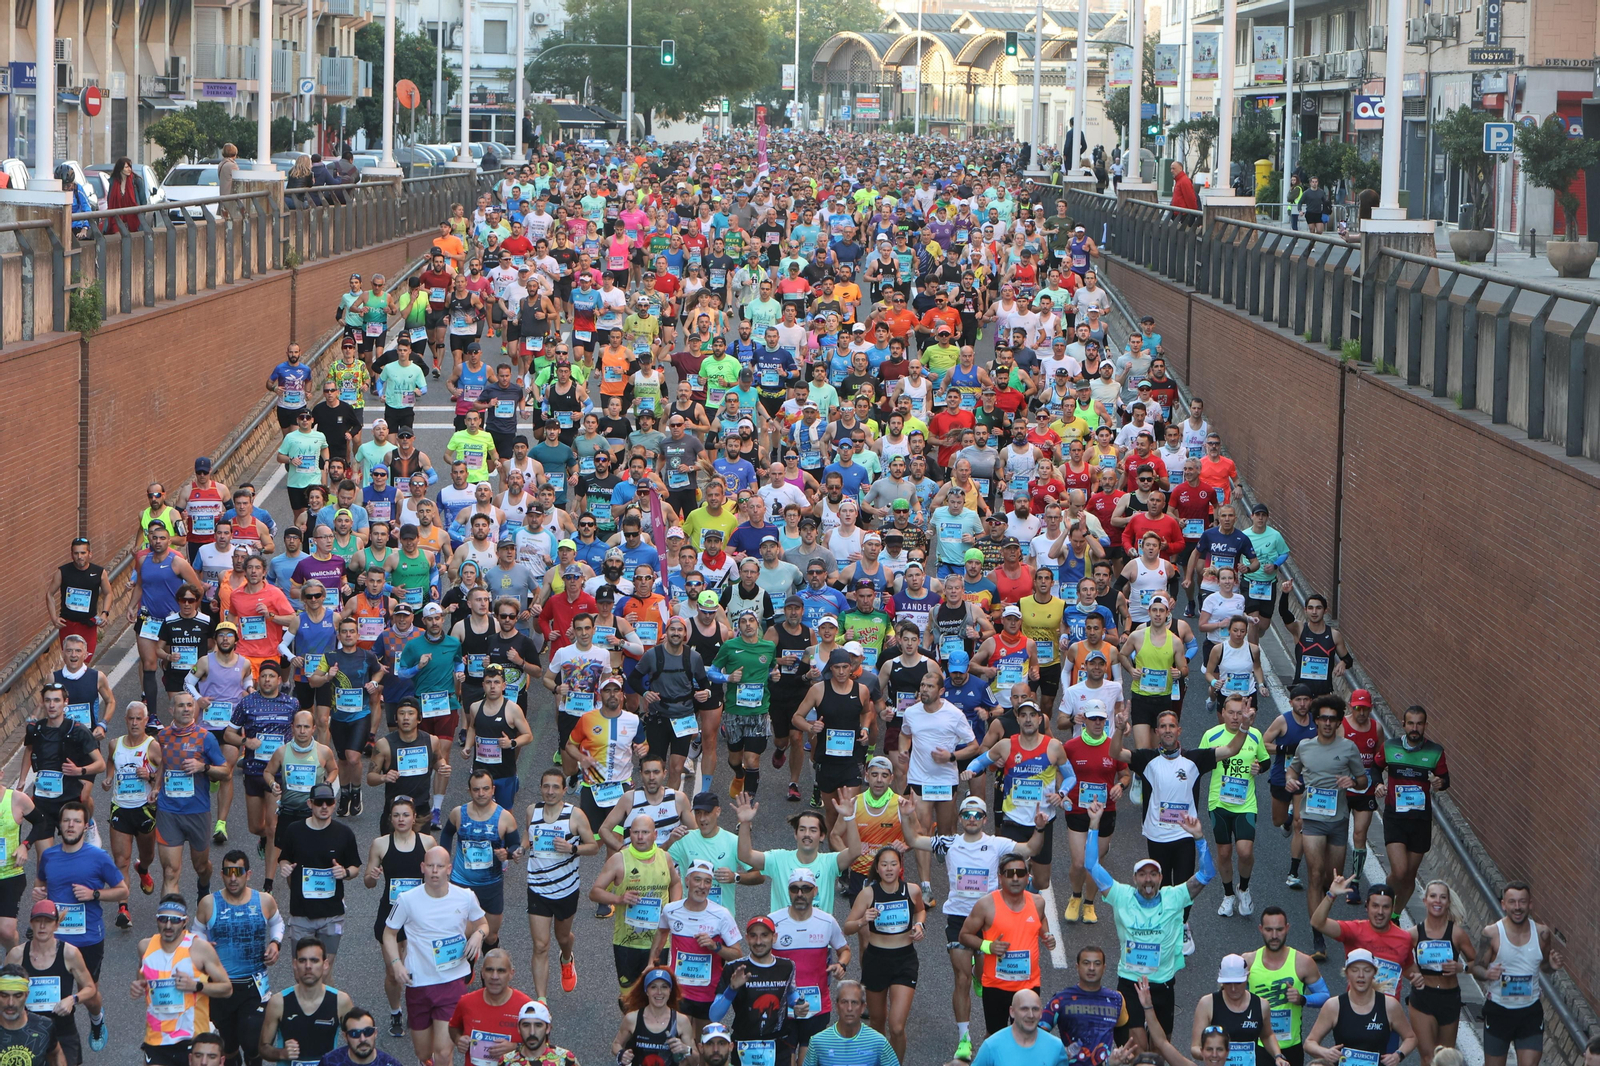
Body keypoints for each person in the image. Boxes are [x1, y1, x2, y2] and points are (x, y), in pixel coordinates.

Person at [1081, 800, 1216, 1049]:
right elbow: (1091, 865)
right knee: (1138, 1048)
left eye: (1153, 874)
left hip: (1162, 982)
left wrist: (1199, 837)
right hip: (1130, 980)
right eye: (1142, 874)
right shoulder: (1121, 895)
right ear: (1135, 879)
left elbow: (1207, 874)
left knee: (1161, 1048)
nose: (1148, 879)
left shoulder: (1174, 897)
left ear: (1161, 878)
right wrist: (1093, 823)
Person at [382, 845, 488, 1066]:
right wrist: (396, 964)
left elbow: (483, 923)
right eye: (430, 866)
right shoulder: (407, 899)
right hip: (418, 982)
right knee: (424, 1053)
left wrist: (478, 934)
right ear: (422, 868)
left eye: (440, 866)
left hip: (452, 981)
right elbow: (389, 933)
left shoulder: (465, 896)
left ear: (449, 869)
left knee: (443, 1054)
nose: (434, 871)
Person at [1283, 695, 1368, 960]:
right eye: (1323, 718)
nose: (1328, 723)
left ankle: (1322, 916)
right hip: (1313, 819)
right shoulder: (1305, 747)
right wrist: (1289, 782)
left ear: (1338, 721)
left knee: (1334, 878)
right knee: (1316, 874)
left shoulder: (1349, 748)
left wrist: (1351, 782)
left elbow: (1363, 779)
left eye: (1333, 719)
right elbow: (1292, 771)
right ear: (1316, 720)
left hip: (1339, 820)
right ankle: (1318, 936)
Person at [32, 801, 120, 1047]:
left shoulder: (98, 858)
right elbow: (40, 883)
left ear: (85, 827)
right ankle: (55, 1044)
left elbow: (123, 891)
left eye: (77, 821)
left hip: (88, 938)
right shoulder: (49, 856)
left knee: (89, 993)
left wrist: (94, 894)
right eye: (66, 820)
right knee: (55, 995)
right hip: (56, 939)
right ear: (60, 826)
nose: (71, 825)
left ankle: (97, 1019)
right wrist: (40, 894)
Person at [193, 849, 283, 1066]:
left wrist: (275, 943)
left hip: (254, 985)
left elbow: (277, 923)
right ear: (222, 874)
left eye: (238, 872)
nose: (233, 878)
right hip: (220, 987)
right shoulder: (208, 903)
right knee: (228, 1046)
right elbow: (195, 935)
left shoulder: (264, 900)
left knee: (253, 1041)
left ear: (248, 874)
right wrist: (201, 945)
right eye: (228, 872)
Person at [959, 850, 1057, 1041]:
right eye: (1009, 873)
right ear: (1000, 877)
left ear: (1028, 877)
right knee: (995, 1036)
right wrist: (988, 946)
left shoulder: (1037, 903)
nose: (1015, 878)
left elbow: (1041, 920)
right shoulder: (986, 905)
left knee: (1026, 1035)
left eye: (1020, 873)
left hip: (1028, 983)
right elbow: (964, 935)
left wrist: (1046, 935)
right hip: (996, 984)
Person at [841, 846, 925, 1064]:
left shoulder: (912, 890)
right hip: (876, 960)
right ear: (877, 869)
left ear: (900, 867)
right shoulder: (868, 893)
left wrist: (919, 925)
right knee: (878, 1021)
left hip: (905, 960)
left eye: (893, 864)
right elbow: (847, 927)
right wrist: (862, 920)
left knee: (897, 1026)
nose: (889, 868)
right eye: (884, 864)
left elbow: (920, 909)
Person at [590, 811, 684, 1003]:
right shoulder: (619, 859)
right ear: (629, 834)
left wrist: (673, 908)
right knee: (629, 998)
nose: (640, 837)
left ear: (655, 835)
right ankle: (632, 1028)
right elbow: (595, 892)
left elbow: (675, 883)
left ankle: (650, 1030)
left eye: (645, 832)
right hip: (627, 942)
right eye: (636, 833)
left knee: (657, 994)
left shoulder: (665, 858)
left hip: (659, 942)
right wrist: (619, 899)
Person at [1471, 882, 1565, 1066]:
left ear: (1530, 904)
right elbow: (1477, 968)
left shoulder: (1542, 933)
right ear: (1503, 905)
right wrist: (1487, 973)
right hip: (1498, 1010)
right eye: (1512, 902)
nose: (1517, 907)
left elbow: (1544, 966)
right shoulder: (1492, 933)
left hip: (1530, 1012)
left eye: (1522, 902)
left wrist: (1552, 966)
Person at [273, 783, 360, 976]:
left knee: (324, 971)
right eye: (319, 802)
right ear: (309, 803)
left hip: (332, 914)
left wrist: (345, 872)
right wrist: (284, 867)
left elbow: (355, 867)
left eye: (328, 802)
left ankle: (327, 1007)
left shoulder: (344, 834)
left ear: (334, 803)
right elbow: (284, 858)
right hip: (301, 914)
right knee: (302, 973)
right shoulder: (295, 831)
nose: (324, 806)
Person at [135, 894, 233, 1066]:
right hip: (157, 1037)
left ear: (185, 921)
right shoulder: (145, 946)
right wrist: (139, 985)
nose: (168, 925)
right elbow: (143, 978)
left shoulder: (199, 948)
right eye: (163, 919)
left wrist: (196, 986)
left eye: (175, 920)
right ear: (157, 919)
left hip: (192, 1038)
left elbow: (227, 988)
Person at [734, 793, 863, 915]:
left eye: (813, 830)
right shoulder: (778, 859)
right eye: (802, 829)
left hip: (818, 936)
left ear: (822, 836)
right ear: (795, 834)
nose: (807, 834)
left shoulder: (830, 862)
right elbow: (746, 856)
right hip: (784, 936)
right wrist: (745, 823)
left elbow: (855, 851)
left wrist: (849, 818)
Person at [7, 899, 99, 1065]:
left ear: (56, 925)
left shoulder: (69, 953)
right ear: (31, 924)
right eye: (38, 921)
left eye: (48, 922)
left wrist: (73, 999)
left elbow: (90, 987)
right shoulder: (17, 955)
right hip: (27, 1030)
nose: (42, 927)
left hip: (62, 1031)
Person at [1377, 705, 1448, 918]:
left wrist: (1439, 782)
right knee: (1399, 871)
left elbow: (1445, 779)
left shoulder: (1435, 751)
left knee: (1409, 876)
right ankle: (1380, 899)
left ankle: (1395, 916)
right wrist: (1378, 784)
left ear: (1425, 725)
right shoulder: (1390, 746)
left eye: (1419, 724)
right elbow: (1374, 767)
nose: (1414, 728)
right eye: (1411, 723)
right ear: (1403, 724)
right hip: (1395, 817)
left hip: (1420, 819)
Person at [440, 770, 520, 953]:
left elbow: (515, 845)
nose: (481, 793)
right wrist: (445, 859)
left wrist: (507, 854)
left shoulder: (504, 817)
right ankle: (465, 972)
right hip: (461, 883)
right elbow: (446, 833)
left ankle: (489, 978)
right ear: (470, 791)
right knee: (462, 932)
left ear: (493, 790)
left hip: (490, 885)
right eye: (476, 790)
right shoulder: (458, 813)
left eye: (485, 789)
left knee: (490, 935)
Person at [1242, 906, 1329, 1066]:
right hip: (1257, 1046)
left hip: (1291, 1047)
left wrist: (1303, 999)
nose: (1274, 935)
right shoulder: (1248, 961)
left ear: (1287, 928)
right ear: (1261, 929)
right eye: (1269, 930)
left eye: (1279, 929)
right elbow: (1227, 997)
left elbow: (1325, 996)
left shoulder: (1303, 962)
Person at [1302, 950, 1416, 1066]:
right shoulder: (1334, 1005)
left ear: (1374, 973)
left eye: (1367, 970)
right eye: (1355, 970)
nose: (1361, 975)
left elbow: (1410, 1037)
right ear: (1347, 974)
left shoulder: (1389, 1005)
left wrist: (1398, 1055)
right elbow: (1309, 1043)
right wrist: (1325, 1052)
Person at [1406, 882, 1476, 1066]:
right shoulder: (1414, 934)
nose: (1437, 901)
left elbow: (1478, 963)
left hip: (1449, 998)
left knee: (1445, 1059)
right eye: (1433, 896)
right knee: (1429, 1057)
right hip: (1423, 998)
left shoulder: (1457, 934)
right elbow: (1398, 959)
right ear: (1425, 900)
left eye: (1442, 897)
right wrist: (1412, 974)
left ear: (1448, 902)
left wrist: (1461, 968)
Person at [257, 937, 353, 1066]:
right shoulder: (279, 1002)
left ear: (325, 964)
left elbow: (358, 1042)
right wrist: (282, 1053)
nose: (308, 966)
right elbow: (263, 1047)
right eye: (302, 961)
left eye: (314, 960)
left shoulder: (340, 1001)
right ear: (295, 964)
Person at [1040, 945, 1129, 1063]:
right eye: (1086, 963)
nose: (1091, 968)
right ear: (1077, 967)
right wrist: (1058, 1054)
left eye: (1097, 964)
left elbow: (1124, 1042)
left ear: (1104, 968)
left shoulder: (1116, 1000)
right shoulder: (1061, 999)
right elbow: (1037, 1034)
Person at [799, 980, 897, 1066]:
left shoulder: (879, 1042)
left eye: (854, 1003)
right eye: (844, 1002)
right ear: (837, 1006)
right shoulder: (818, 1042)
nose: (849, 1008)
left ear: (863, 1007)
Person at [610, 968, 694, 1066]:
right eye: (653, 987)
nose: (659, 992)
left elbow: (695, 1061)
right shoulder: (632, 1019)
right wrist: (622, 1054)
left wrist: (686, 1050)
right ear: (646, 991)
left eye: (664, 987)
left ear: (670, 990)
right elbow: (616, 1044)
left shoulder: (681, 1021)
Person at [0, 962, 58, 1065]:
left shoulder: (45, 1026)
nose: (10, 1003)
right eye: (4, 995)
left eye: (17, 996)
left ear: (27, 995)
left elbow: (55, 1054)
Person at [497, 1000, 579, 1066]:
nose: (532, 1032)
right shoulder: (506, 1062)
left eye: (538, 1025)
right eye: (526, 1025)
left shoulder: (565, 1059)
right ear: (518, 1028)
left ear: (548, 1028)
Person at [320, 1007, 405, 1066]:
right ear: (345, 1036)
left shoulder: (391, 1064)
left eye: (368, 1032)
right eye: (355, 1033)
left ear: (375, 1033)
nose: (362, 1039)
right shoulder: (329, 1062)